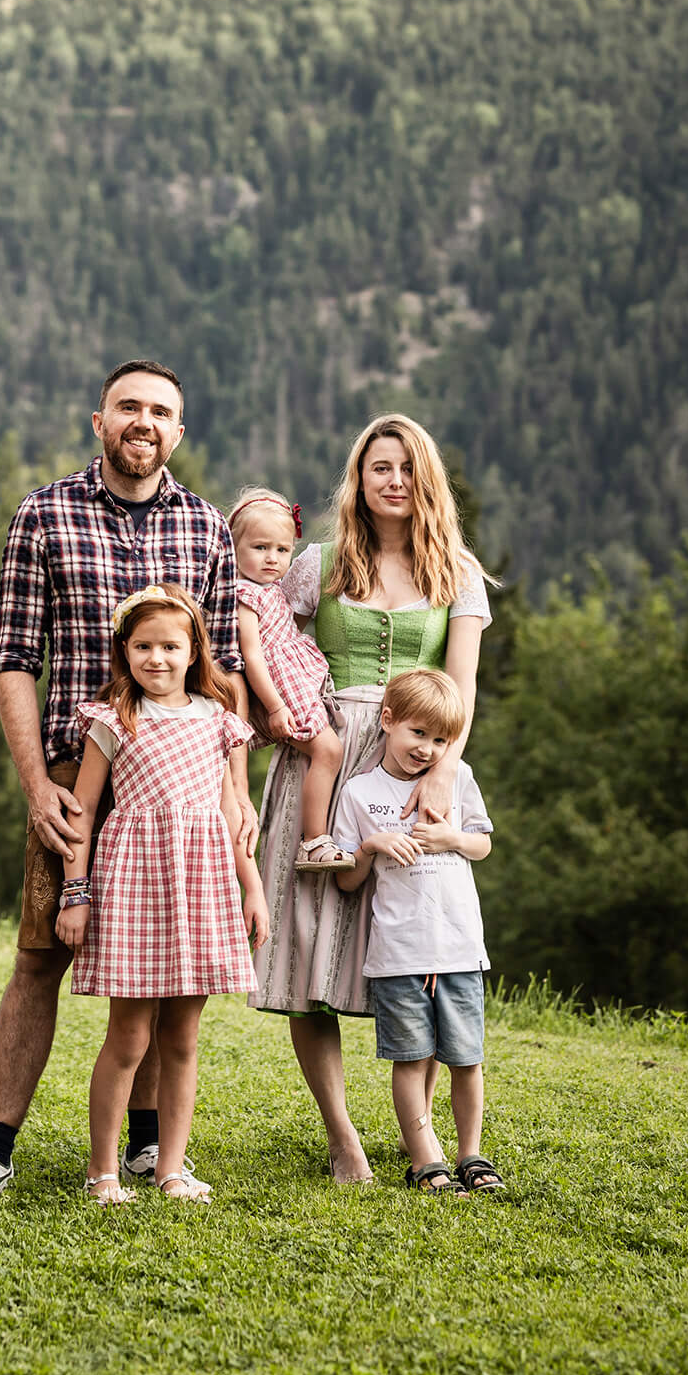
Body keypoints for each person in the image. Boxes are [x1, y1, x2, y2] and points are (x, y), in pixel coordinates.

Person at [0, 360, 253, 1211]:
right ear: (98, 420)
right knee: (39, 953)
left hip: (183, 779)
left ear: (178, 431)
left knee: (171, 960)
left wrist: (237, 791)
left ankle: (148, 1147)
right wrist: (38, 784)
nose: (143, 421)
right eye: (128, 407)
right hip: (79, 774)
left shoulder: (207, 529)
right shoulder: (44, 513)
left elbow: (223, 678)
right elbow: (12, 662)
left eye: (160, 411)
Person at [252, 415, 491, 1185]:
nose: (391, 480)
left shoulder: (456, 573)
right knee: (308, 951)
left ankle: (415, 1129)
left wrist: (440, 776)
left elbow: (460, 690)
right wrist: (277, 722)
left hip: (407, 762)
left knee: (415, 950)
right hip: (319, 759)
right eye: (376, 467)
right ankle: (342, 1136)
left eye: (404, 468)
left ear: (426, 481)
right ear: (357, 479)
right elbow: (255, 644)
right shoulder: (315, 564)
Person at [58, 584, 268, 1203]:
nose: (158, 659)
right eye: (144, 646)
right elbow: (83, 814)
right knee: (128, 1036)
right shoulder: (113, 720)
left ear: (193, 649)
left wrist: (251, 889)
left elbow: (232, 819)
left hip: (202, 888)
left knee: (182, 1038)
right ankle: (102, 1172)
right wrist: (76, 892)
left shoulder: (219, 720)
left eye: (171, 646)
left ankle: (171, 1168)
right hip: (133, 886)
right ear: (125, 651)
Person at [332, 669, 503, 1196]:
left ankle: (471, 1153)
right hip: (400, 953)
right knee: (409, 1060)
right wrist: (372, 846)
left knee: (466, 1059)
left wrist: (451, 835)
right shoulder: (360, 793)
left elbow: (482, 845)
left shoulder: (457, 779)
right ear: (388, 721)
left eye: (440, 740)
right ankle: (425, 1158)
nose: (428, 749)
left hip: (459, 947)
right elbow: (347, 880)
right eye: (417, 734)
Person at [228, 489, 348, 873]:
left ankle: (318, 834)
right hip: (281, 690)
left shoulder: (271, 589)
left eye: (282, 550)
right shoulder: (245, 595)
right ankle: (314, 841)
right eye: (260, 547)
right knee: (328, 752)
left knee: (329, 752)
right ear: (233, 548)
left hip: (291, 682)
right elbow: (251, 656)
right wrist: (276, 706)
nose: (271, 558)